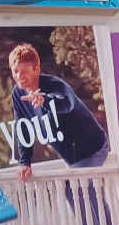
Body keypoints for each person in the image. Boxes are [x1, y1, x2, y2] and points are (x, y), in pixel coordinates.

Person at [8, 43, 110, 180]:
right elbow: (23, 129)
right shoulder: (18, 94)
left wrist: (45, 100)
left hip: (92, 148)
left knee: (79, 190)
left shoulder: (55, 85)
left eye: (24, 71)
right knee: (72, 190)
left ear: (36, 69)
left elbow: (67, 104)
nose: (19, 76)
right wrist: (25, 162)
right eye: (15, 71)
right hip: (72, 157)